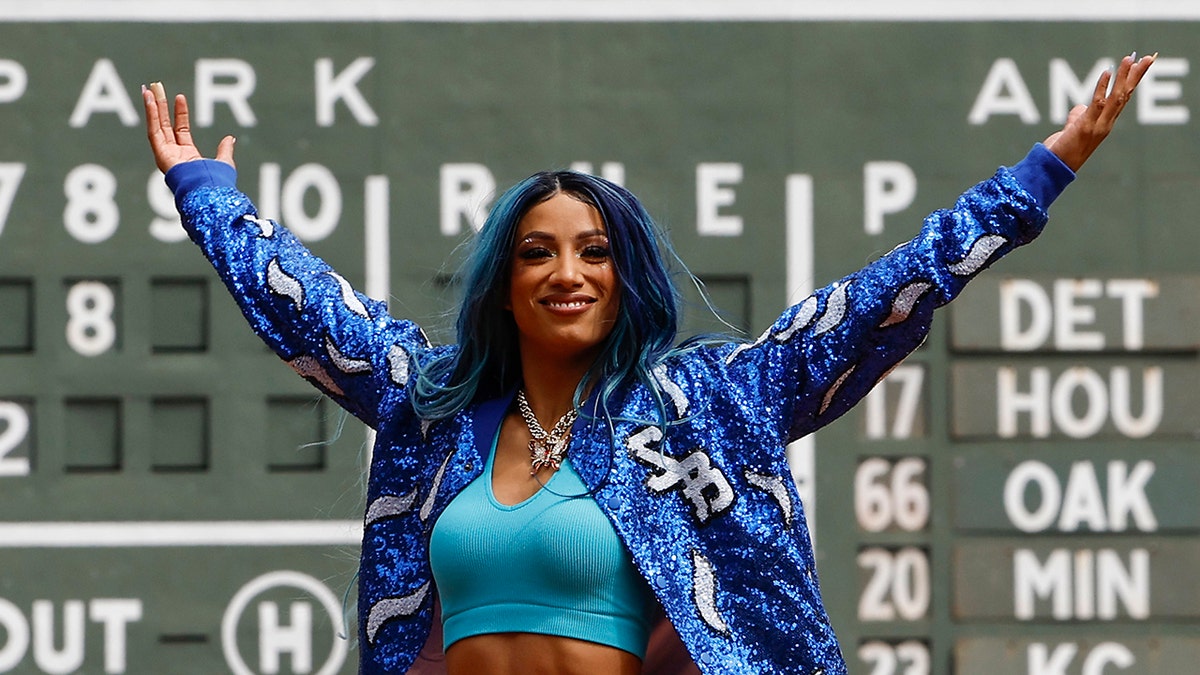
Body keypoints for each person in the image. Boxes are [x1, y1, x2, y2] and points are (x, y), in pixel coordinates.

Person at [143, 52, 1154, 675]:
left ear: (627, 280)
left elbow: (880, 298)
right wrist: (205, 195)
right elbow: (309, 309)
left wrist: (1039, 173)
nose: (566, 273)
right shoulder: (435, 407)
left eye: (595, 252)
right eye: (537, 252)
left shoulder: (705, 405)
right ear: (503, 281)